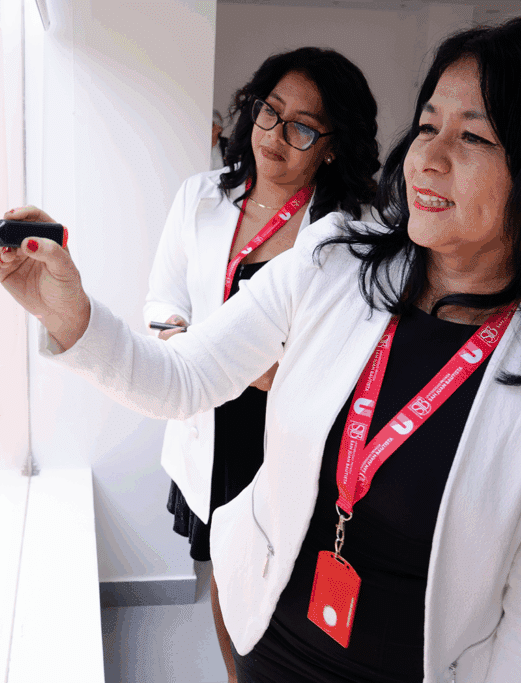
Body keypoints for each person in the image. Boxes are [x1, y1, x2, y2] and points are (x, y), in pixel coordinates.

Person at [0, 17, 521, 683]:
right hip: (263, 628)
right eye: (428, 124)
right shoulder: (335, 261)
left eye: (474, 137)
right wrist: (71, 313)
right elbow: (179, 379)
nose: (427, 155)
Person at [145, 47, 380, 683]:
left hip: (294, 426)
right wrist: (186, 344)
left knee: (292, 567)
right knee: (227, 562)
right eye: (269, 113)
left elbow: (357, 346)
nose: (276, 136)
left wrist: (264, 369)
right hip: (214, 423)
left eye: (303, 127)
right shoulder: (200, 198)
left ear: (333, 146)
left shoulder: (351, 231)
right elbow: (164, 301)